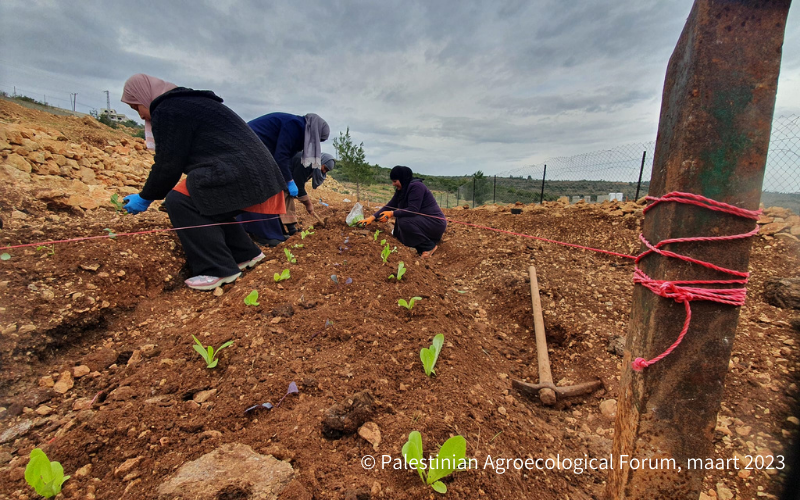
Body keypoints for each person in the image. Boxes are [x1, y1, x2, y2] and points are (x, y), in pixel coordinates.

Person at [120, 74, 286, 290]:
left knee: (179, 200)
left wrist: (146, 196)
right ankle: (246, 254)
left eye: (137, 108)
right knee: (206, 200)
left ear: (145, 96)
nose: (142, 115)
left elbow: (168, 164)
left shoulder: (167, 109)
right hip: (259, 170)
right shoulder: (189, 102)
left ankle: (217, 269)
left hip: (240, 170)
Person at [247, 112, 330, 236]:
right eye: (319, 139)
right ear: (314, 132)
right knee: (265, 188)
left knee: (275, 190)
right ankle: (264, 233)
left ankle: (275, 230)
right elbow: (281, 156)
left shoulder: (300, 132)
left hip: (262, 150)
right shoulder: (295, 126)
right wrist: (290, 181)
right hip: (251, 146)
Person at [236, 150, 334, 246]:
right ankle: (266, 236)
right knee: (272, 204)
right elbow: (299, 186)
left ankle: (289, 231)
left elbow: (298, 184)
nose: (324, 171)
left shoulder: (312, 166)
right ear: (321, 161)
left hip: (285, 179)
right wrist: (308, 204)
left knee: (287, 199)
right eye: (324, 168)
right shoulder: (306, 163)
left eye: (327, 171)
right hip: (273, 177)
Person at [358, 166, 446, 258]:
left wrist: (392, 213)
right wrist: (371, 218)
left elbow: (413, 210)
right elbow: (390, 205)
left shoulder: (417, 187)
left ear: (403, 179)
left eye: (395, 181)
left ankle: (428, 246)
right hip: (423, 222)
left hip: (435, 223)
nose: (393, 184)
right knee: (398, 232)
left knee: (404, 221)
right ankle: (419, 247)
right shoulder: (402, 190)